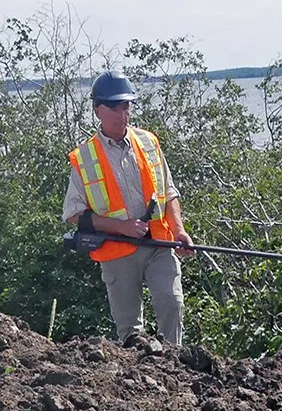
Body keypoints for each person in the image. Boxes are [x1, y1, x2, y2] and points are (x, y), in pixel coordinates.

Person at [62, 72, 194, 346]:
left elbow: (169, 193)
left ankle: (174, 366)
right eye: (114, 107)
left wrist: (179, 230)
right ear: (98, 110)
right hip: (117, 251)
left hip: (160, 243)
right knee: (131, 331)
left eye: (126, 106)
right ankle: (139, 381)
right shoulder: (84, 158)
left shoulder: (148, 142)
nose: (122, 113)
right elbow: (74, 214)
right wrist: (121, 226)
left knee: (172, 303)